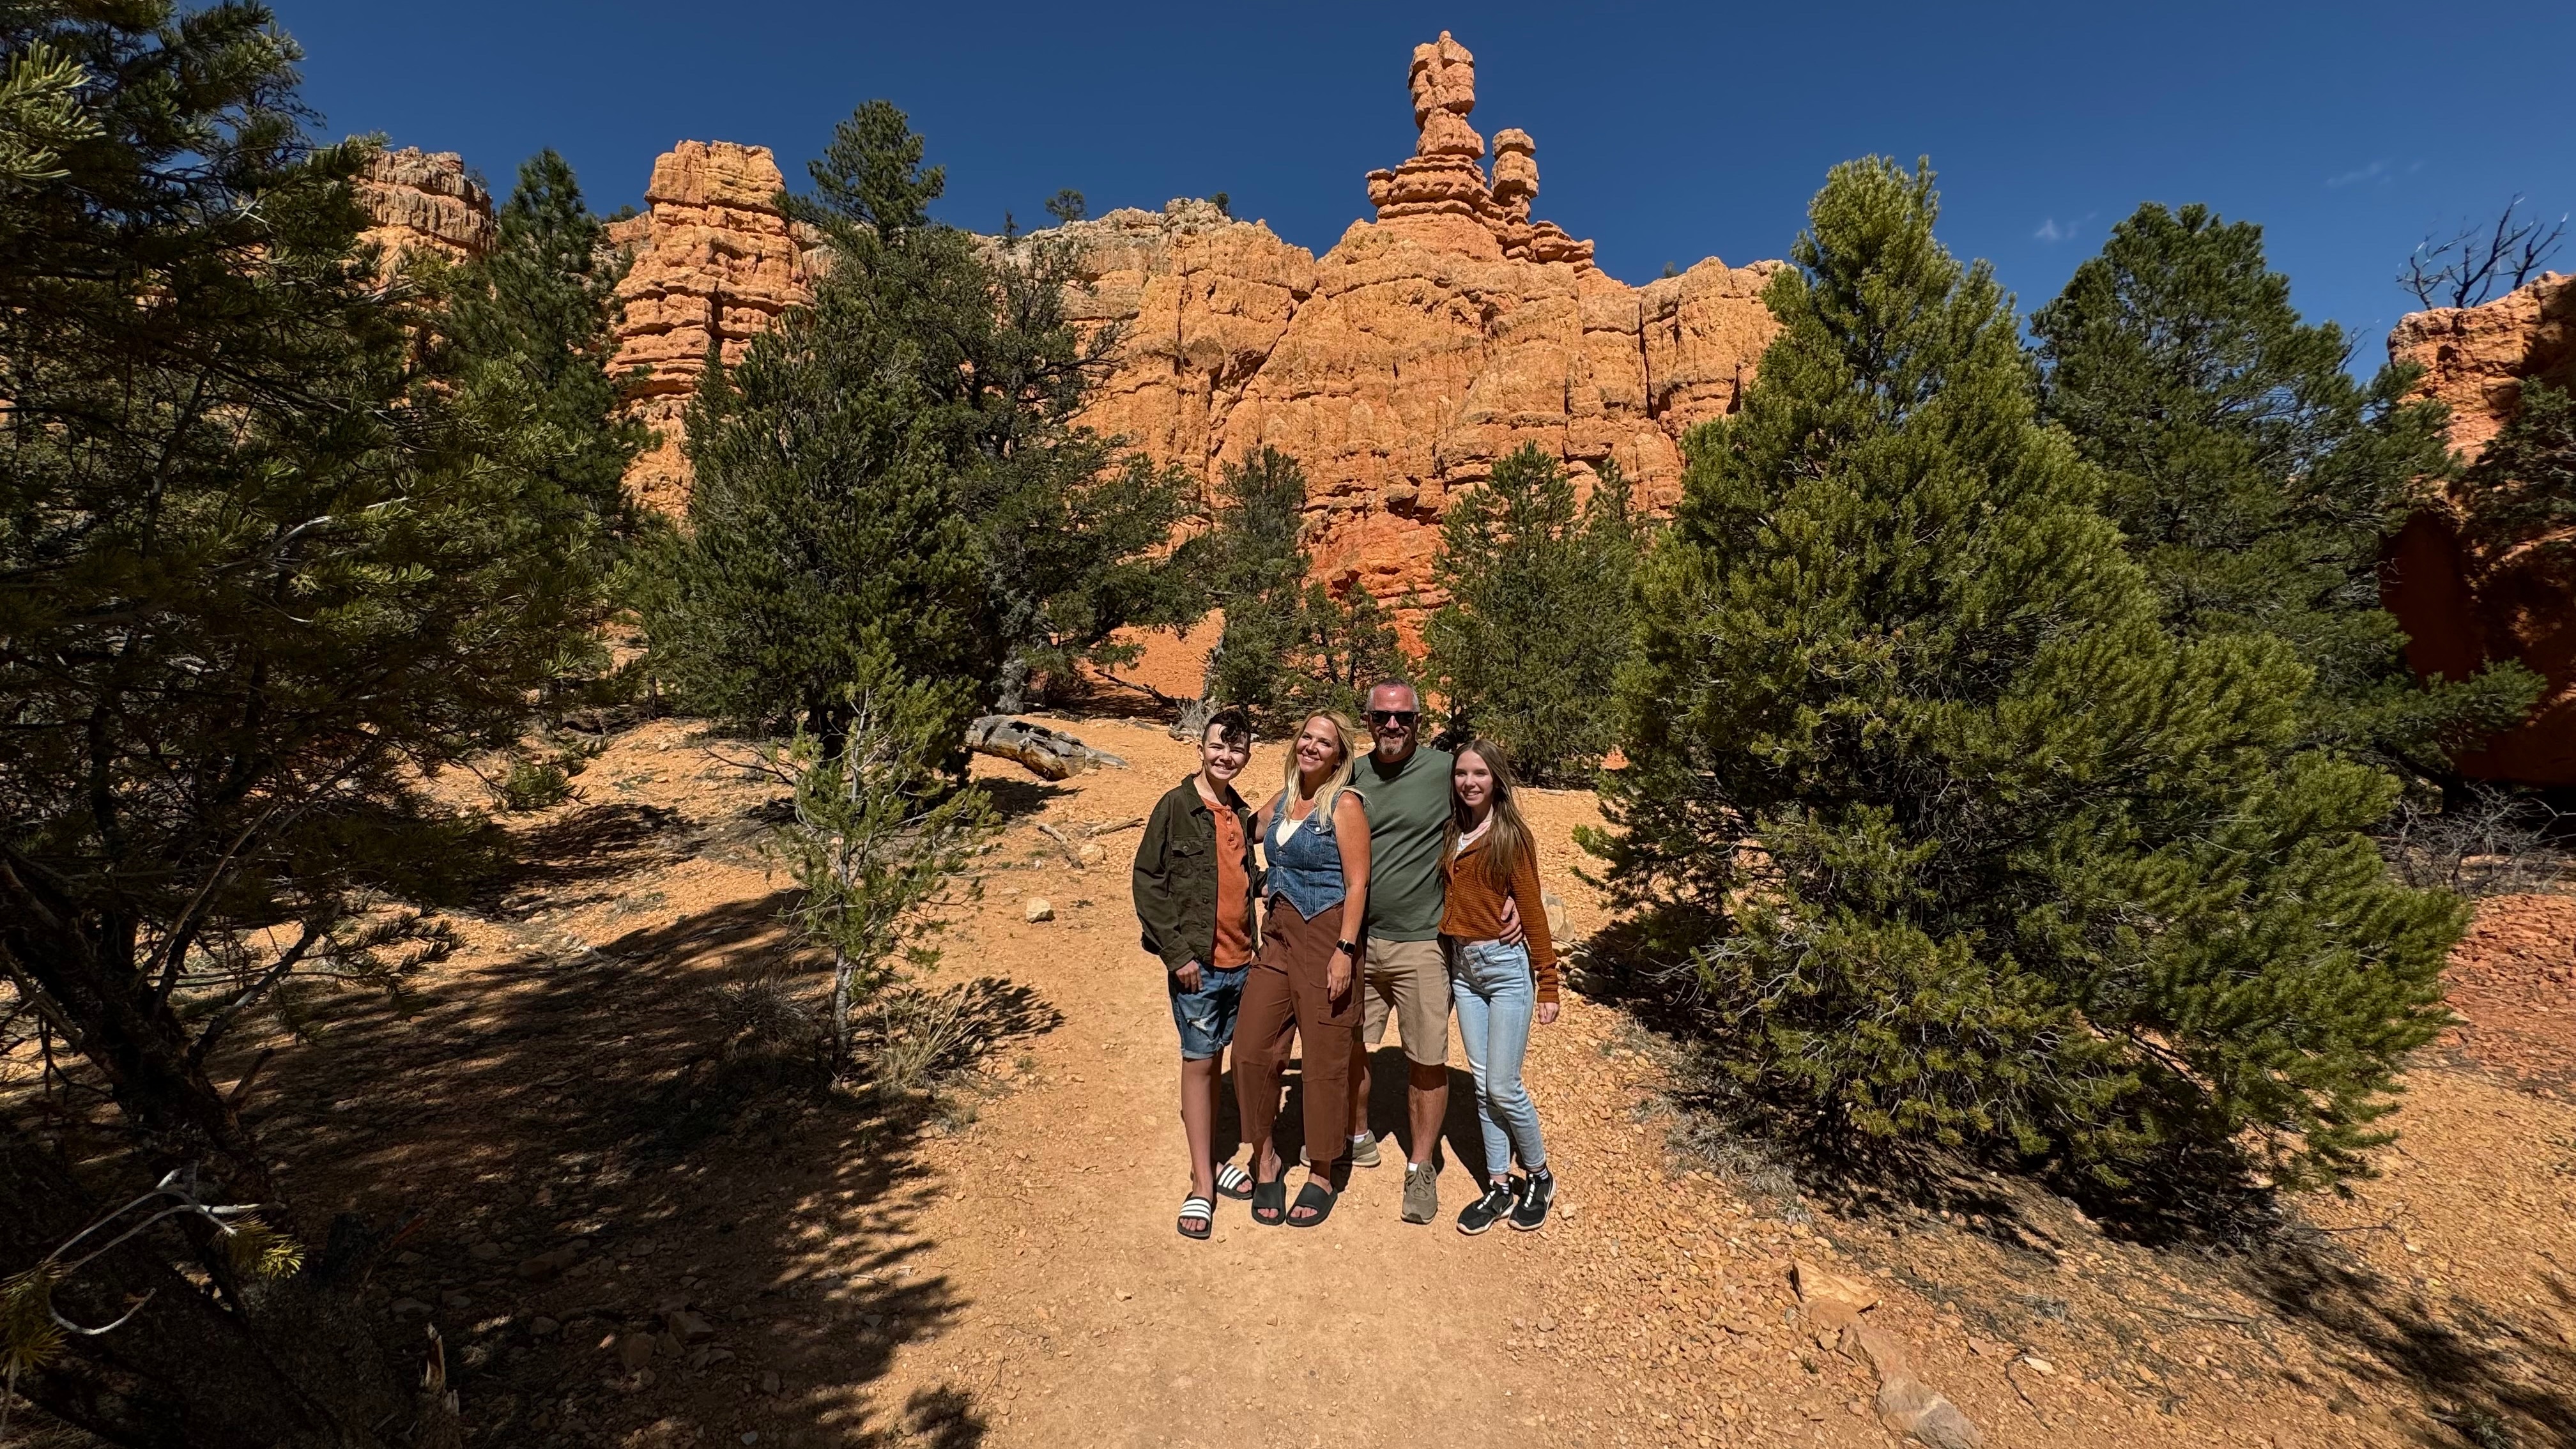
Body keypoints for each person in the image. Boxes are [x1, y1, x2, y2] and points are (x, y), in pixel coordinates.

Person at [1347, 680, 1517, 1225]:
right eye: (1382, 717)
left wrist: (1508, 890)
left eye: (1404, 719)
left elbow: (1496, 813)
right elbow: (1301, 797)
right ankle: (1356, 1135)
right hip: (1360, 940)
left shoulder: (1446, 769)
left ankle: (1421, 1165)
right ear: (1368, 720)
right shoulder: (1352, 773)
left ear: (1419, 722)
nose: (1393, 727)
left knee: (1426, 1060)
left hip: (1423, 943)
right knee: (1353, 1047)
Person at [1235, 712, 1372, 1227]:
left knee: (1324, 1055)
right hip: (1278, 934)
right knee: (1251, 1048)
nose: (1313, 747)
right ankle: (1265, 1154)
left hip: (1326, 934)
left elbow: (1358, 884)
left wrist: (1344, 949)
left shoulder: (1346, 804)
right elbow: (1246, 829)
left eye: (1325, 742)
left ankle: (1320, 1170)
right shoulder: (1285, 794)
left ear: (1340, 755)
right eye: (1307, 738)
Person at [1131, 707, 1262, 1240]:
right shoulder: (1175, 807)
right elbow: (1148, 882)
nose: (1225, 757)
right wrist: (1178, 955)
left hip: (1242, 963)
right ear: (1199, 747)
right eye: (1217, 747)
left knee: (1221, 1061)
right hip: (1198, 967)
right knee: (1199, 1064)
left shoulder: (1239, 810)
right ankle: (1202, 1184)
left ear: (1247, 755)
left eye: (1236, 749)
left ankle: (1211, 1157)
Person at [1441, 737, 1560, 1235]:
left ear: (1496, 780)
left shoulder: (1512, 836)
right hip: (1463, 969)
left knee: (1502, 1086)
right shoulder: (1452, 830)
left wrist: (1548, 982)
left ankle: (1539, 1175)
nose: (1470, 782)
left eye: (1480, 774)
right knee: (1483, 1086)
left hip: (1506, 969)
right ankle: (1497, 1184)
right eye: (1463, 773)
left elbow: (1530, 906)